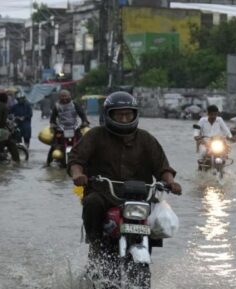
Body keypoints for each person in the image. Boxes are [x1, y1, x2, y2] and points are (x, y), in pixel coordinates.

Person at [68, 91, 182, 257]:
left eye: (128, 115)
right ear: (108, 115)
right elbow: (76, 160)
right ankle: (96, 244)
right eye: (119, 115)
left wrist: (171, 182)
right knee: (92, 202)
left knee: (155, 217)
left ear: (134, 115)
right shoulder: (95, 135)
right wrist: (78, 175)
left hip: (139, 197)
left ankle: (146, 244)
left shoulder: (146, 139)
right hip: (104, 193)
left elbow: (162, 167)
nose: (123, 119)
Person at [48, 89, 89, 165]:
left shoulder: (74, 104)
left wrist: (85, 121)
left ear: (69, 96)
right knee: (55, 143)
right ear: (59, 97)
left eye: (66, 96)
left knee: (82, 141)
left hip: (74, 127)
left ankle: (85, 159)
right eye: (62, 96)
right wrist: (52, 123)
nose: (64, 98)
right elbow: (53, 118)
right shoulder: (57, 106)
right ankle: (49, 162)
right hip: (61, 128)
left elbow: (82, 114)